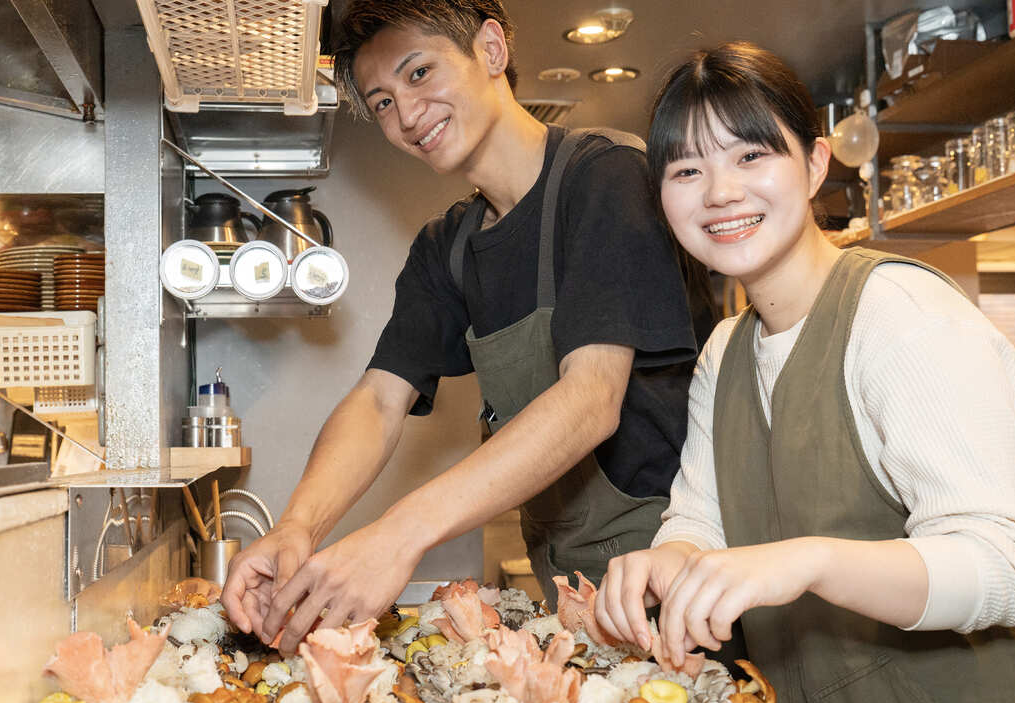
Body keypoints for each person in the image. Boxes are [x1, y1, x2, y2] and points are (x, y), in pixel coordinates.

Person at [220, 0, 716, 653]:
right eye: (383, 102)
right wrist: (297, 527)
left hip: (680, 583)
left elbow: (592, 398)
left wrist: (399, 534)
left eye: (419, 74)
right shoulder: (449, 247)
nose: (405, 114)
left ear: (490, 50)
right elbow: (378, 398)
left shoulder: (605, 176)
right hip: (573, 592)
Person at [593, 42, 1015, 703]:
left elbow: (1007, 570)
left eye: (751, 156)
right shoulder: (725, 350)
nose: (721, 191)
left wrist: (808, 561)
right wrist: (669, 559)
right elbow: (701, 519)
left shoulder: (900, 316)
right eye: (687, 169)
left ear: (815, 164)